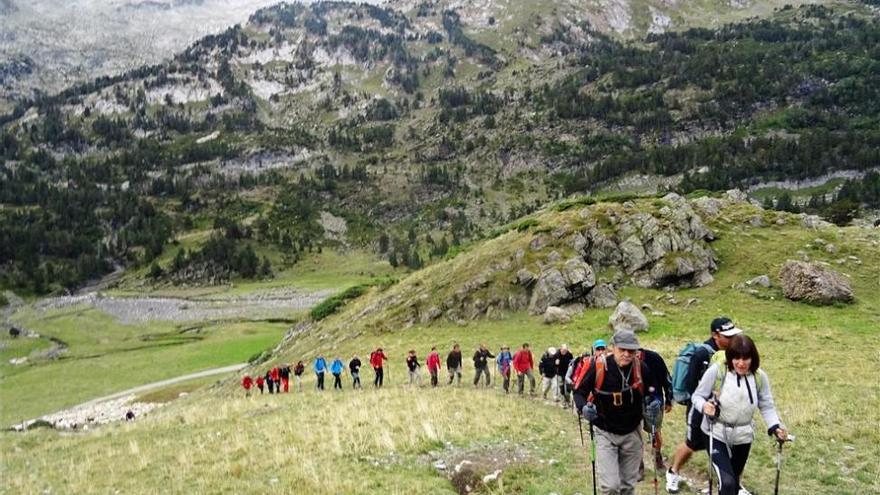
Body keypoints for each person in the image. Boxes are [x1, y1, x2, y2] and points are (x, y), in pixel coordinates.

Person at [691, 335, 787, 495]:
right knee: (727, 483)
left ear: (753, 358)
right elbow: (697, 396)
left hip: (743, 435)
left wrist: (775, 427)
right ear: (730, 357)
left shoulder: (759, 377)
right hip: (716, 432)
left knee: (733, 484)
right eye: (736, 358)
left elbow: (767, 405)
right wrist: (704, 406)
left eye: (746, 358)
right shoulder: (717, 371)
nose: (741, 363)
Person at [666, 317, 742, 493]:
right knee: (692, 444)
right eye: (727, 336)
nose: (732, 340)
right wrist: (705, 404)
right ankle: (673, 472)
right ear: (715, 335)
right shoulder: (702, 354)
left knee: (727, 447)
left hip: (724, 411)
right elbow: (692, 386)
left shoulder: (734, 353)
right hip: (699, 409)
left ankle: (732, 483)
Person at [574, 330, 651, 495]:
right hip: (605, 431)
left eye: (631, 350)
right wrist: (583, 409)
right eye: (622, 349)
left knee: (627, 487)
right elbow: (579, 392)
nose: (626, 354)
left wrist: (655, 403)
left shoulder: (641, 368)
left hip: (632, 433)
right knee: (610, 487)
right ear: (613, 348)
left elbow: (653, 391)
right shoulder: (599, 366)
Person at [639, 346, 673, 476]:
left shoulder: (653, 357)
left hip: (654, 399)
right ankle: (638, 464)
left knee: (656, 431)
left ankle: (657, 457)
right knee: (635, 434)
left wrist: (669, 399)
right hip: (633, 401)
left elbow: (666, 378)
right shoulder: (624, 360)